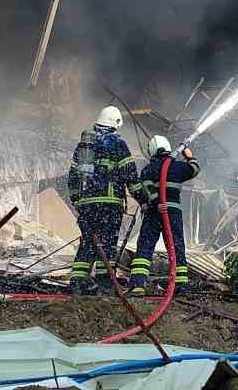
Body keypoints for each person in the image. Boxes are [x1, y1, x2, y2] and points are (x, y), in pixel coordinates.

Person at [66, 106, 136, 295]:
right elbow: (129, 174)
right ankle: (105, 284)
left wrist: (77, 201)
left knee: (88, 241)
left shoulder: (84, 145)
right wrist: (144, 198)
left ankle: (78, 281)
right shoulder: (117, 143)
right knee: (107, 243)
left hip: (87, 205)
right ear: (117, 123)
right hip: (109, 205)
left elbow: (72, 177)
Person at [127, 136, 199, 295]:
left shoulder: (148, 169)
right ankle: (180, 287)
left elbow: (143, 190)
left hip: (153, 212)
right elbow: (194, 168)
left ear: (152, 150)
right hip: (172, 213)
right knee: (176, 247)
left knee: (145, 246)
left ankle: (138, 284)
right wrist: (188, 154)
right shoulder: (177, 167)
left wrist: (153, 202)